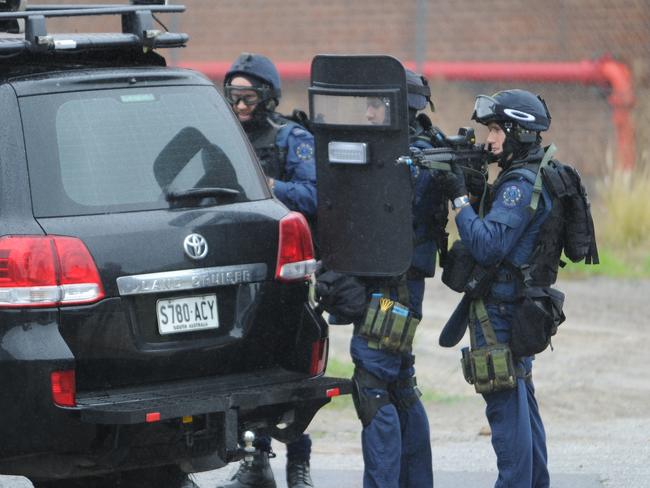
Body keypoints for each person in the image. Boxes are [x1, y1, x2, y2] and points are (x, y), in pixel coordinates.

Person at [439, 89, 558, 488]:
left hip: (502, 312)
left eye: (495, 129)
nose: (488, 139)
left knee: (506, 408)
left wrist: (459, 199)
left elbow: (489, 246)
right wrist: (474, 192)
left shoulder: (518, 185)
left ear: (518, 132)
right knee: (520, 400)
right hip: (515, 305)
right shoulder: (529, 173)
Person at [218, 52, 317, 488]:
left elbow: (315, 195)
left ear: (267, 97)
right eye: (233, 96)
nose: (240, 106)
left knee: (294, 368)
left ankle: (299, 464)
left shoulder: (290, 137)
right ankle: (256, 460)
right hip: (238, 269)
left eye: (249, 97)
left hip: (286, 270)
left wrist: (270, 185)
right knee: (243, 366)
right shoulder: (226, 137)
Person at [348, 70, 445, 488]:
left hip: (392, 295)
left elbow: (383, 218)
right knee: (400, 384)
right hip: (398, 292)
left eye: (376, 105)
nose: (368, 113)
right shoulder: (417, 151)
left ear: (397, 109)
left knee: (373, 387)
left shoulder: (413, 161)